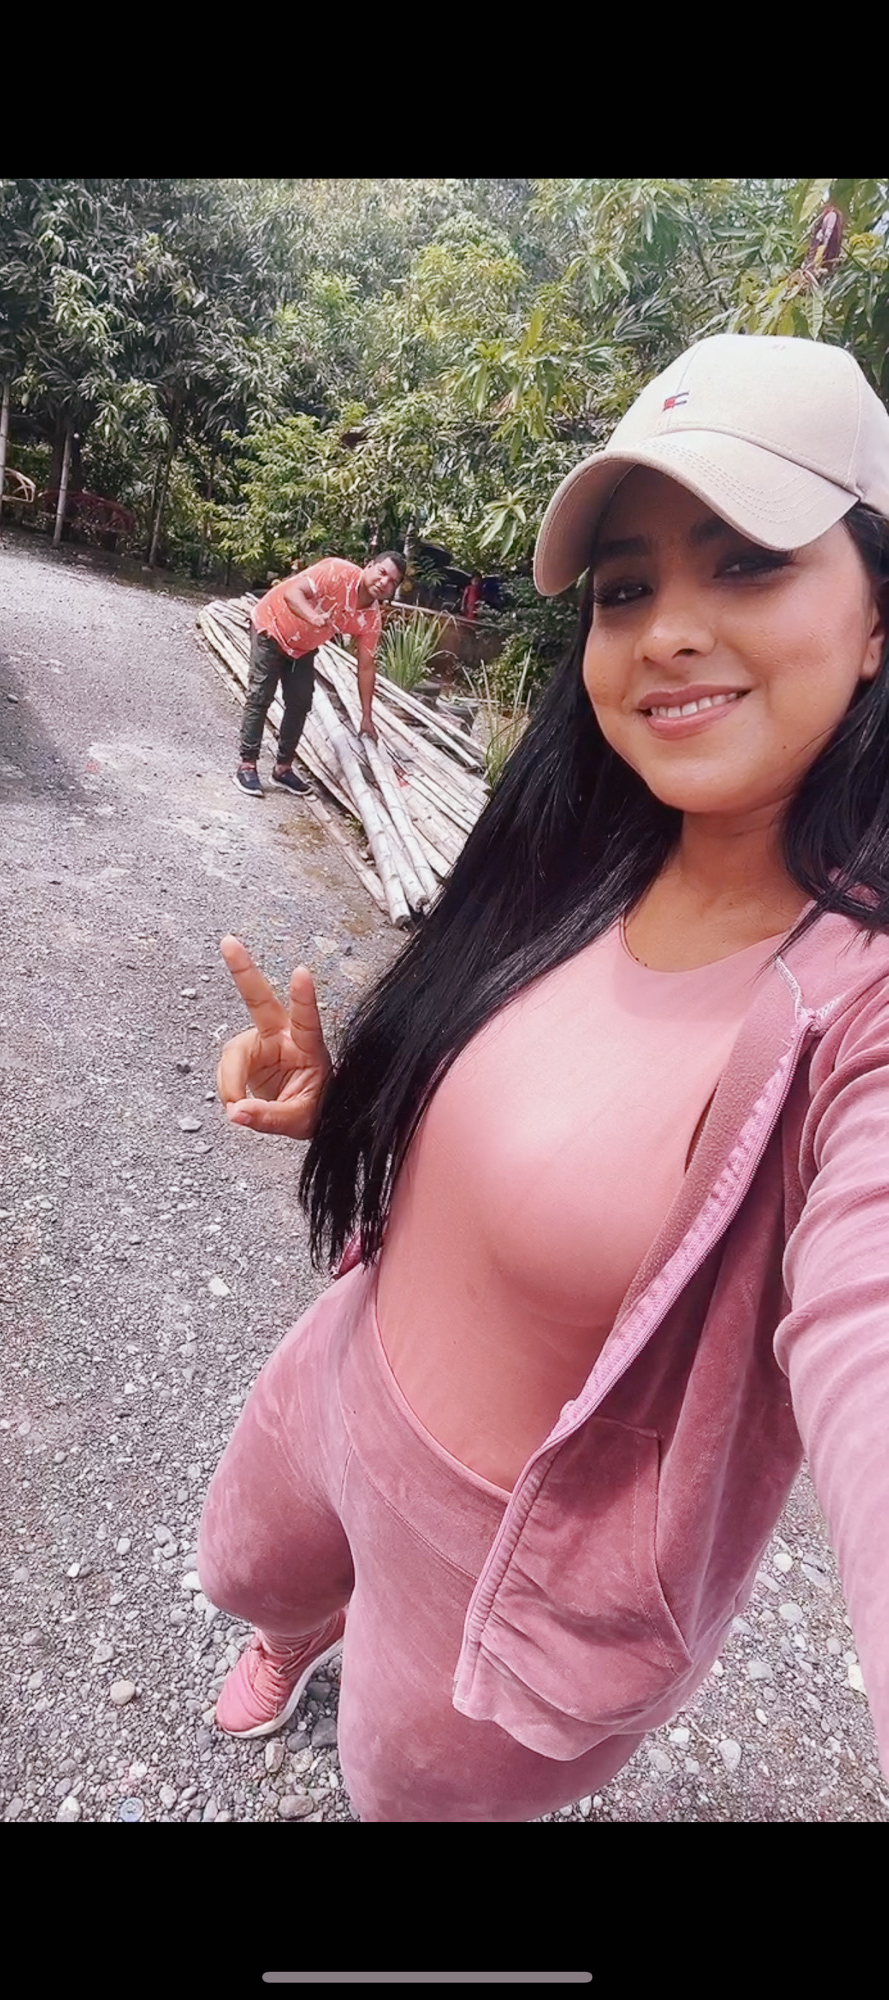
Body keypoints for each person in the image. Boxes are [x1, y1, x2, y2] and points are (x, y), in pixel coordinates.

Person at [199, 333, 889, 1822]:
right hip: (343, 1365)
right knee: (244, 1567)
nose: (667, 631)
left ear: (878, 617)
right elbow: (540, 1110)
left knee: (404, 1792)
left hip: (511, 1573)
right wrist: (356, 1097)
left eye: (749, 562)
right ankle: (296, 1630)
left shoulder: (857, 1018)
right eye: (627, 588)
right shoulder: (578, 855)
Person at [234, 550, 405, 797]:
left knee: (301, 701)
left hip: (302, 647)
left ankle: (282, 769)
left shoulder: (370, 619)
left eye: (392, 582)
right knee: (260, 695)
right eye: (382, 572)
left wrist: (366, 716)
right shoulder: (337, 572)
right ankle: (247, 765)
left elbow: (366, 666)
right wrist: (314, 618)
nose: (384, 582)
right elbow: (291, 592)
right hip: (271, 627)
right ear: (369, 566)